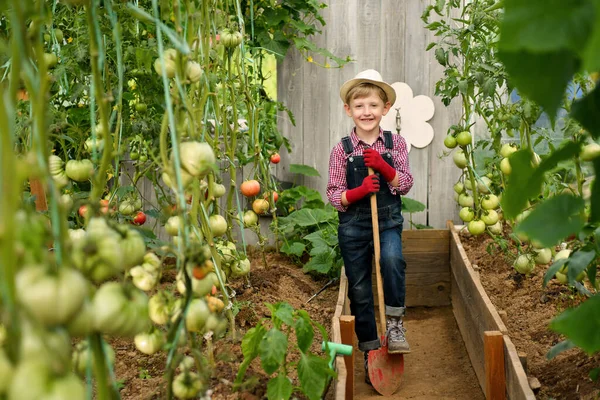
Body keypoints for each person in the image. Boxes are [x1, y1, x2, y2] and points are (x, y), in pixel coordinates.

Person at [326, 69, 414, 385]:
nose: (367, 112)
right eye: (360, 105)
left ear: (385, 108)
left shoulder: (396, 143)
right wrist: (359, 191)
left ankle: (394, 325)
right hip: (353, 226)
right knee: (360, 287)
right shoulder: (342, 150)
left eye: (373, 105)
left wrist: (384, 167)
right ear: (349, 109)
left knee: (392, 261)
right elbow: (334, 195)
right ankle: (369, 347)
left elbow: (404, 183)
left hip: (387, 221)